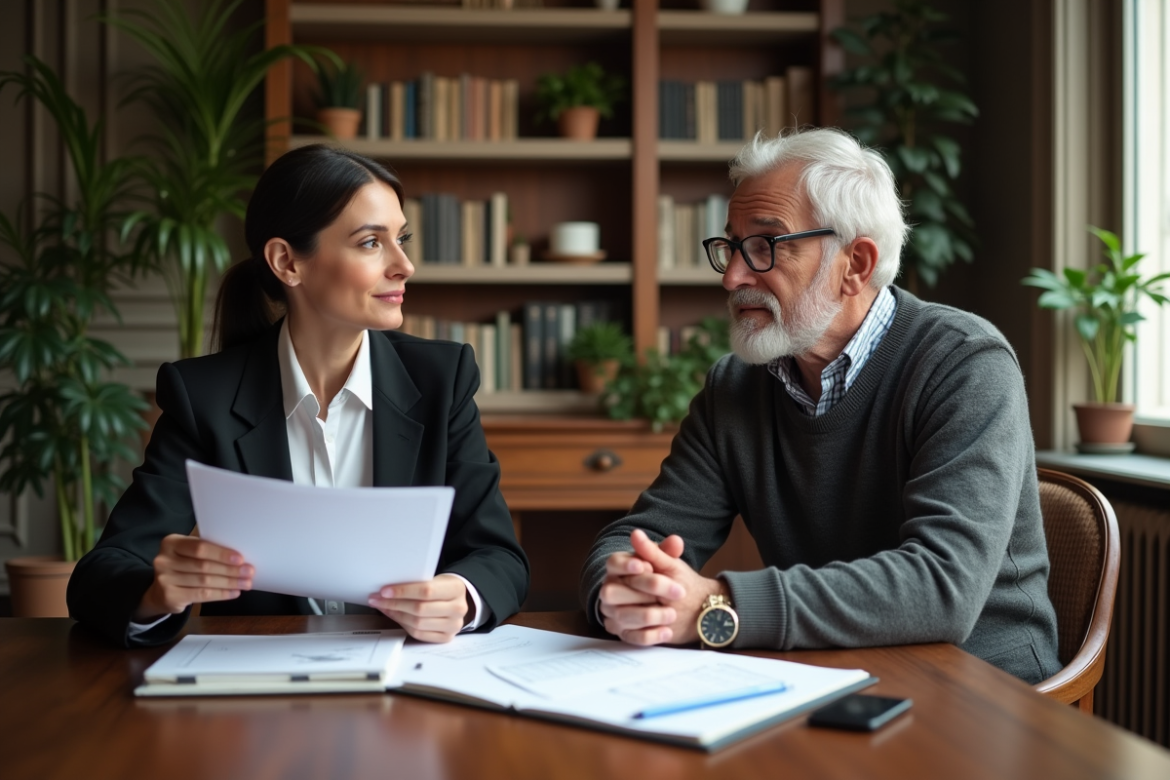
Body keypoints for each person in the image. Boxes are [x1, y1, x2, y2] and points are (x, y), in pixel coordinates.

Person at [580, 127, 1060, 684]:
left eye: (765, 246)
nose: (734, 276)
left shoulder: (964, 364)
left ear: (855, 263)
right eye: (731, 247)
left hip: (982, 690)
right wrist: (625, 592)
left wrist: (718, 604)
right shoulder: (735, 387)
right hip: (820, 675)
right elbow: (639, 537)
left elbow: (942, 588)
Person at [68, 144, 529, 647]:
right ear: (287, 262)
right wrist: (157, 591)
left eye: (402, 239)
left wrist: (460, 597)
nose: (404, 265)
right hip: (260, 692)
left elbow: (499, 557)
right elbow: (101, 574)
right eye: (372, 243)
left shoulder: (442, 378)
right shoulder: (204, 397)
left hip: (409, 674)